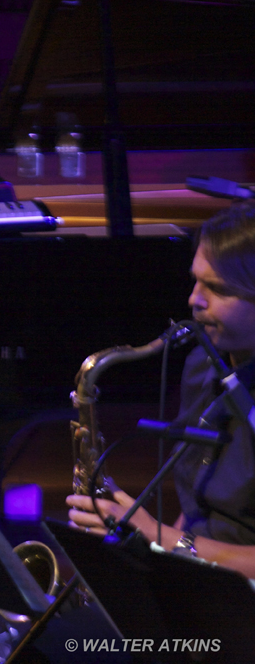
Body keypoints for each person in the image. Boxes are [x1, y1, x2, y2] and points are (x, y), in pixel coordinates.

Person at [67, 201, 255, 579]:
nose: (194, 300)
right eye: (195, 280)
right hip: (201, 580)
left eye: (217, 289)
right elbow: (197, 502)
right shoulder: (201, 363)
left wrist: (162, 539)